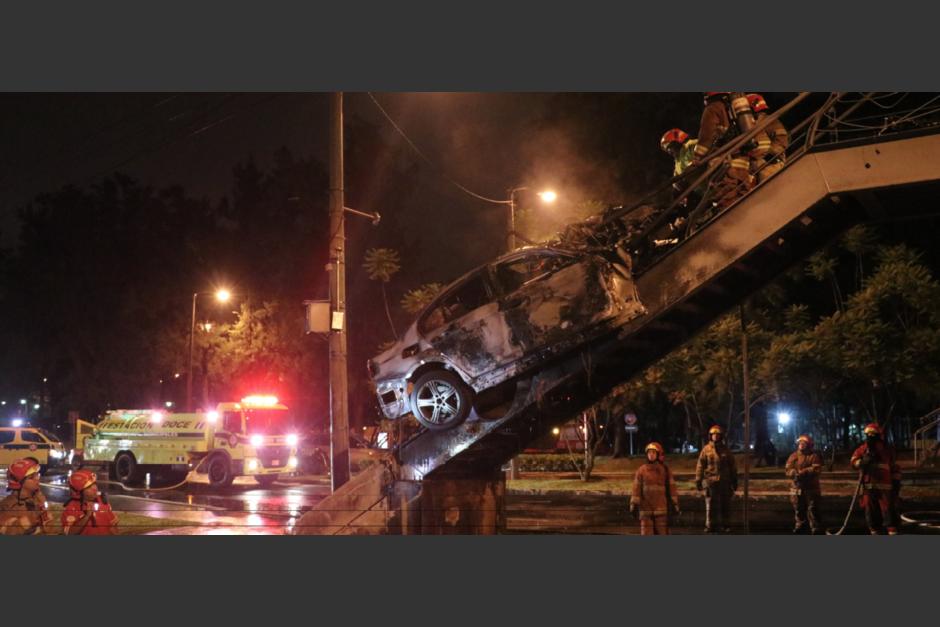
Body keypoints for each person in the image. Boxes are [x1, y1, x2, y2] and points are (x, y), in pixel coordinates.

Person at [850, 423, 902, 535]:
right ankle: (875, 532)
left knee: (888, 510)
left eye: (873, 434)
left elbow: (894, 467)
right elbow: (853, 461)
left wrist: (896, 482)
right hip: (868, 487)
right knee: (871, 512)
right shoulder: (863, 449)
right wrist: (861, 462)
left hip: (885, 488)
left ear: (879, 435)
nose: (870, 436)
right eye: (868, 434)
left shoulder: (887, 451)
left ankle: (892, 531)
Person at [630, 442, 680, 535]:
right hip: (645, 510)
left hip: (661, 510)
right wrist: (633, 504)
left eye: (653, 453)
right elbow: (636, 488)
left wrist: (675, 503)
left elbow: (672, 488)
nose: (651, 455)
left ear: (658, 454)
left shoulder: (665, 470)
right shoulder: (641, 470)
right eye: (649, 453)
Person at [695, 424, 738, 533]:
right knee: (710, 506)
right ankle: (710, 526)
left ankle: (726, 525)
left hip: (725, 482)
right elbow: (700, 465)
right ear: (710, 436)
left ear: (721, 436)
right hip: (711, 483)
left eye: (717, 434)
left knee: (726, 505)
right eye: (713, 434)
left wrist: (734, 480)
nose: (715, 436)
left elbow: (732, 466)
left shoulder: (726, 450)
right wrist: (698, 480)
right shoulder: (706, 450)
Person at [0, 458, 51, 535]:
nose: (37, 479)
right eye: (31, 477)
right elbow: (6, 532)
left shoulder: (38, 497)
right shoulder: (8, 506)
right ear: (19, 482)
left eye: (37, 475)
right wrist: (30, 520)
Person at [785, 434, 824, 534]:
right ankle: (800, 527)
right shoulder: (793, 456)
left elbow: (816, 469)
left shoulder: (813, 456)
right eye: (800, 443)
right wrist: (793, 473)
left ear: (809, 445)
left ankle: (816, 528)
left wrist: (805, 472)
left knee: (813, 509)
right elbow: (787, 470)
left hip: (811, 489)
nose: (801, 445)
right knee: (799, 509)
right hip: (797, 488)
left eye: (804, 443)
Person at [61, 469, 119, 535]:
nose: (95, 488)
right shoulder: (71, 509)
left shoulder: (102, 501)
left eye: (94, 484)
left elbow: (113, 527)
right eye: (89, 487)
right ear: (79, 492)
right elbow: (69, 533)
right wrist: (87, 516)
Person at [747, 93, 789, 183]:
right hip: (757, 168)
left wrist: (765, 159)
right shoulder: (753, 125)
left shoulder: (769, 121)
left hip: (770, 165)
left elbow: (782, 142)